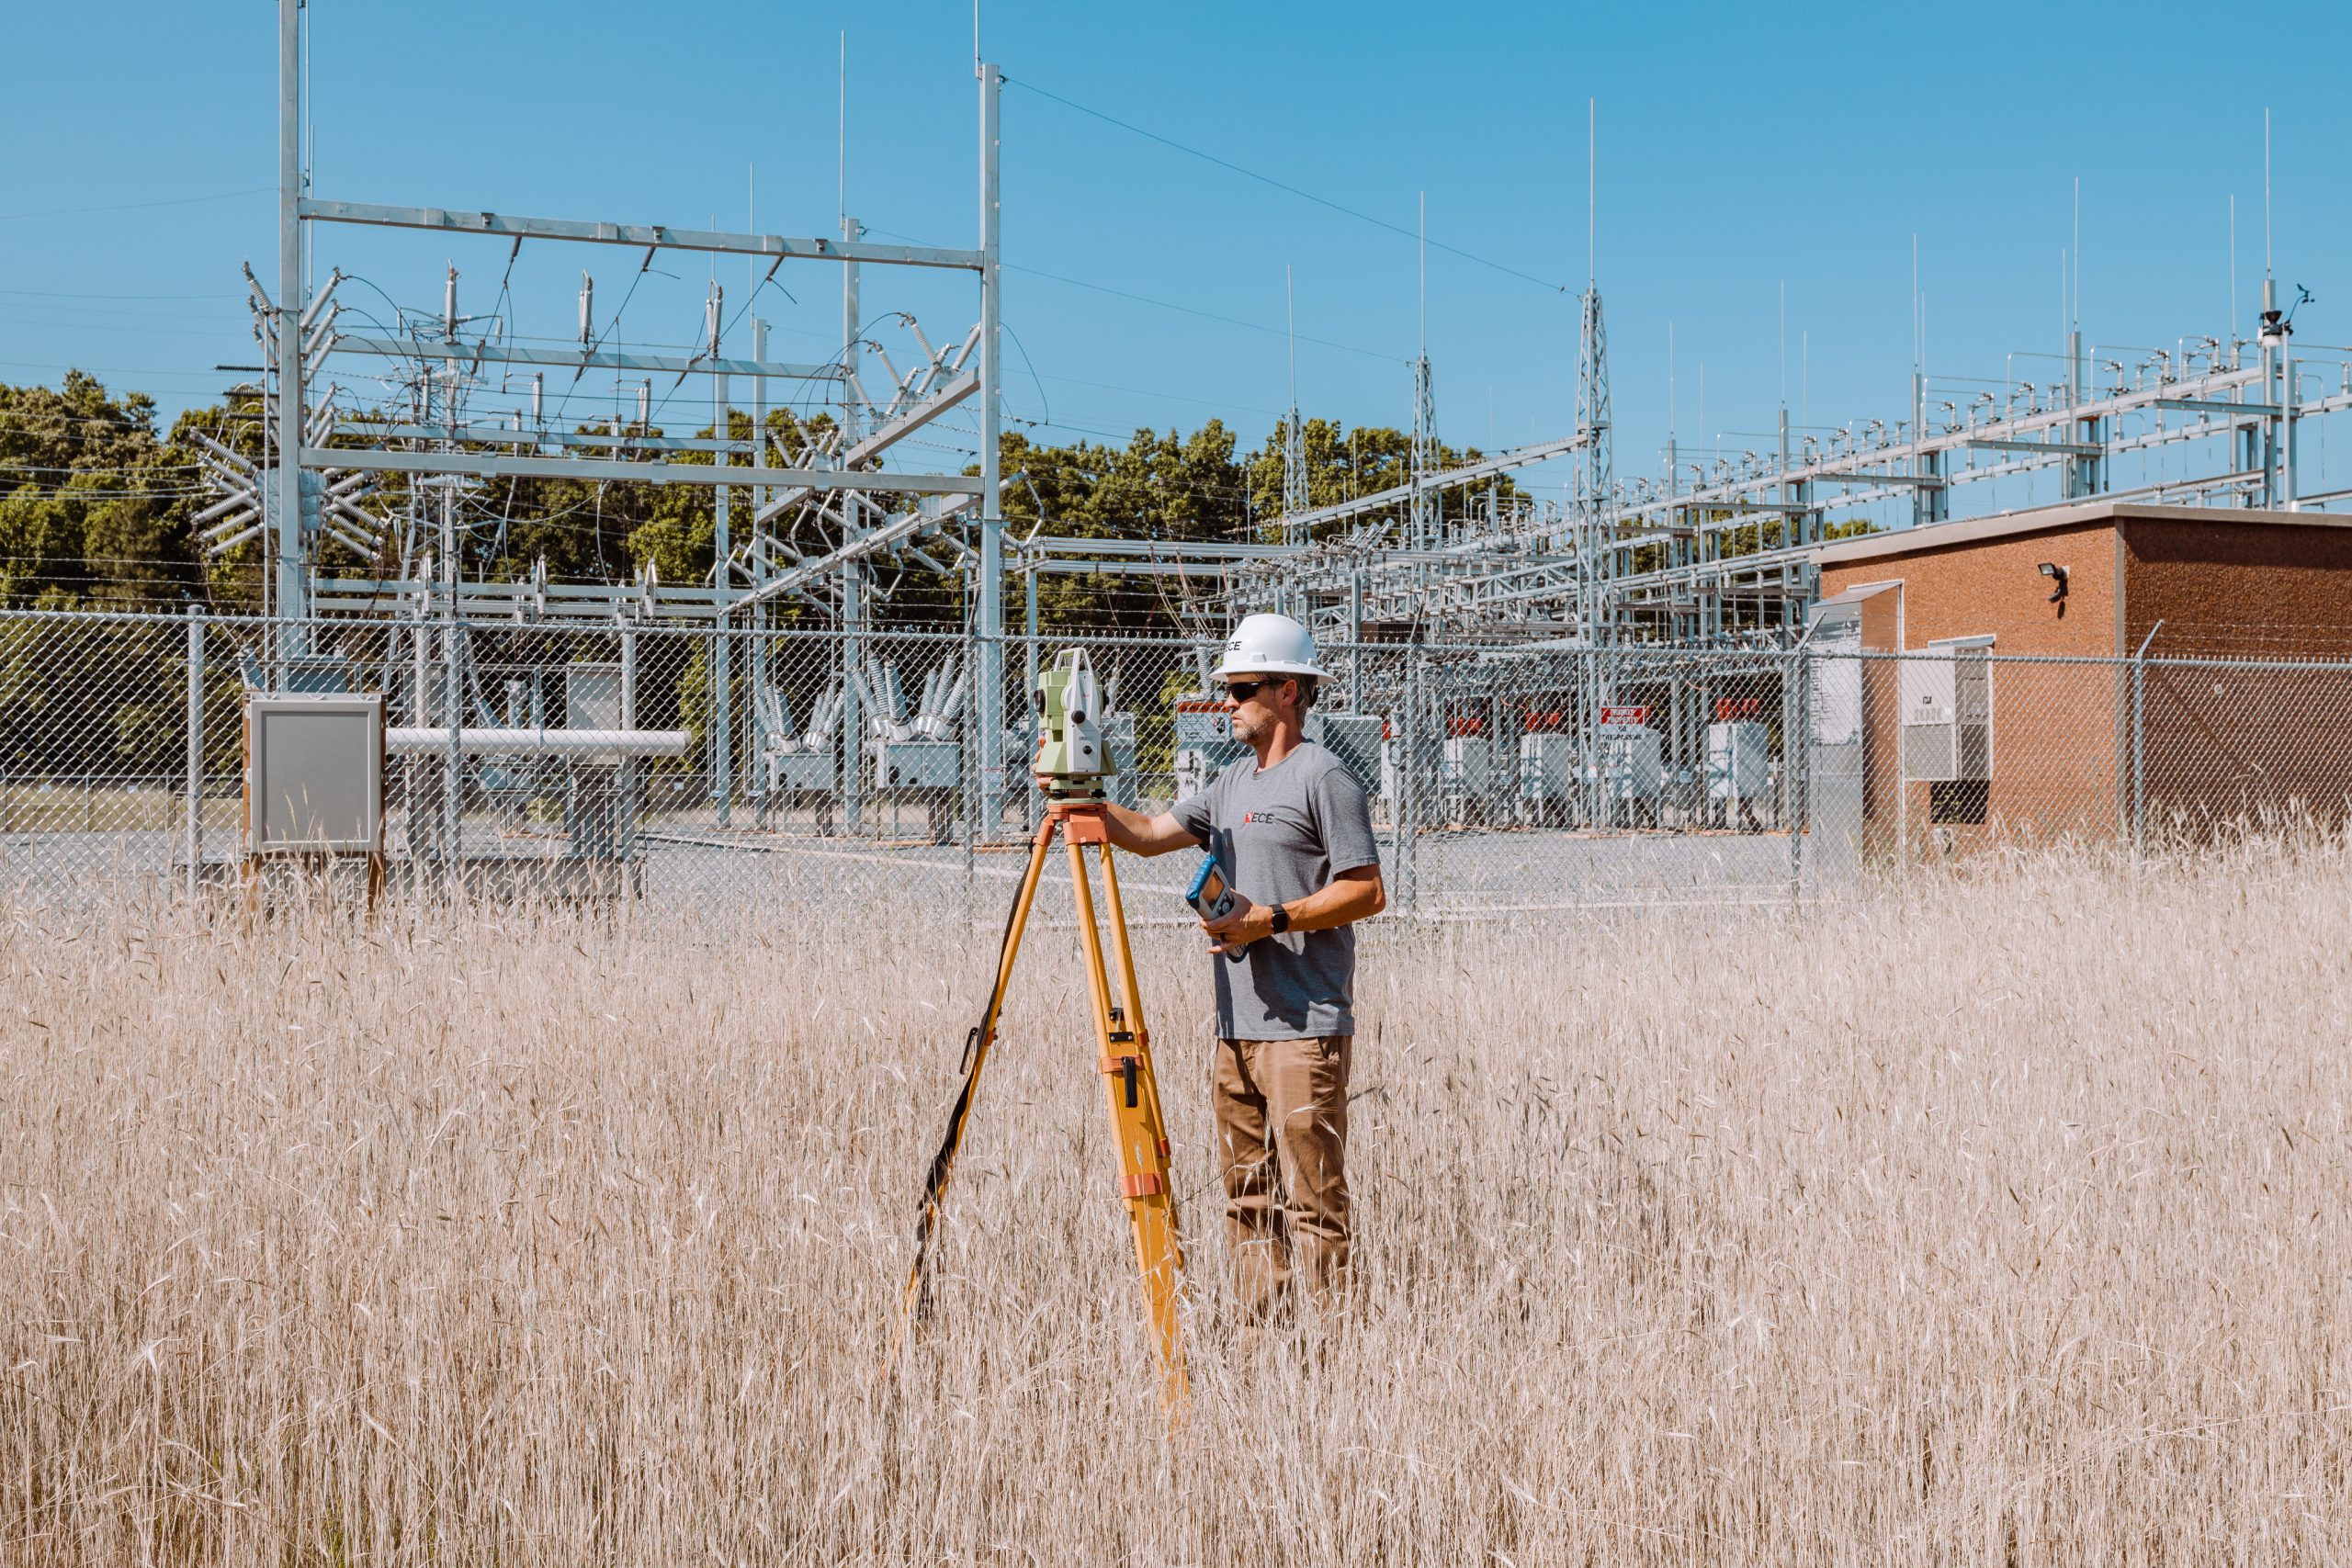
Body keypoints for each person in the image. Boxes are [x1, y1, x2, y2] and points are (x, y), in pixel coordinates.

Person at [1087, 613, 1385, 1323]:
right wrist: (1080, 799)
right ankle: (1263, 1343)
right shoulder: (1228, 783)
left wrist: (1270, 919)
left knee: (1314, 1204)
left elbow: (1367, 890)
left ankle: (1332, 1351)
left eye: (1243, 688)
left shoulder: (1324, 777)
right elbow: (1149, 834)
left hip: (1304, 1030)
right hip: (1235, 1031)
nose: (1229, 702)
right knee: (1248, 1199)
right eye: (1229, 688)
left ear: (1288, 691)